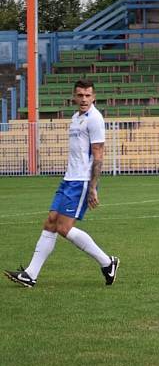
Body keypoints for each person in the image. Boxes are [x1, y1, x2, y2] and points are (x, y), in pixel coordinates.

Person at [4, 79, 119, 288]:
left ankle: (107, 262)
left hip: (82, 181)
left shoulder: (95, 119)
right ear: (74, 97)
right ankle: (31, 274)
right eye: (80, 95)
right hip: (69, 179)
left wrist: (93, 187)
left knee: (63, 228)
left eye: (87, 95)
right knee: (50, 221)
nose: (83, 99)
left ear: (94, 97)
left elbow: (99, 154)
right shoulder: (76, 118)